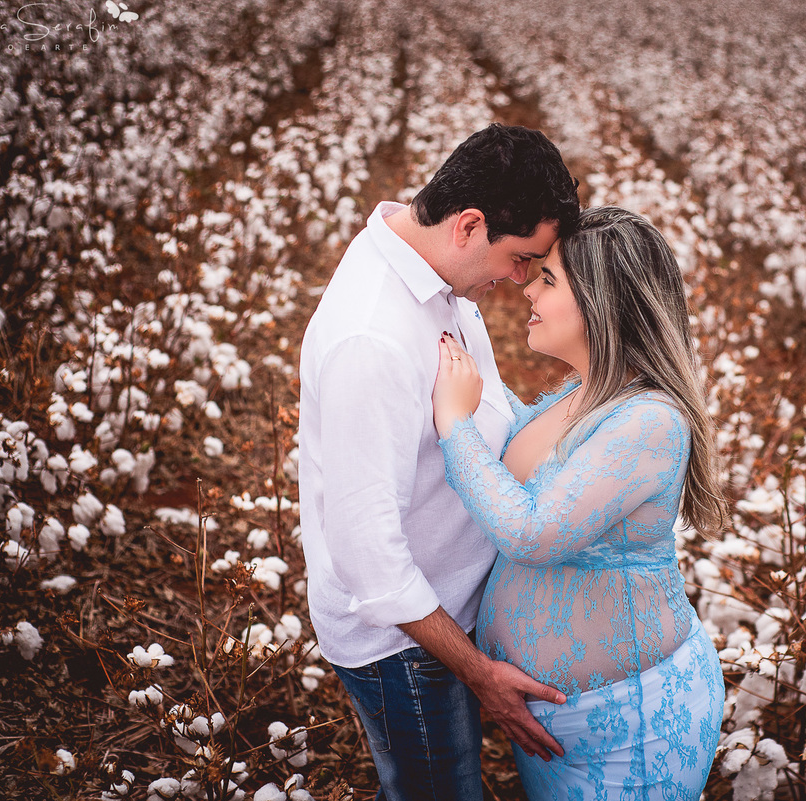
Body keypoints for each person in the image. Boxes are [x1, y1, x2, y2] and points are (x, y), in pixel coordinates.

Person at [298, 124, 581, 800]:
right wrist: (479, 673)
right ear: (470, 225)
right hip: (406, 644)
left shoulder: (433, 270)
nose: (521, 279)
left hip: (449, 604)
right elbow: (370, 562)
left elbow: (487, 409)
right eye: (520, 258)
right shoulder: (372, 339)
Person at [432, 206, 727, 799]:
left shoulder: (649, 420)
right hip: (556, 722)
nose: (528, 291)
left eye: (548, 279)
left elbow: (530, 534)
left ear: (601, 303)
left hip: (634, 728)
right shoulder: (583, 394)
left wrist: (454, 424)